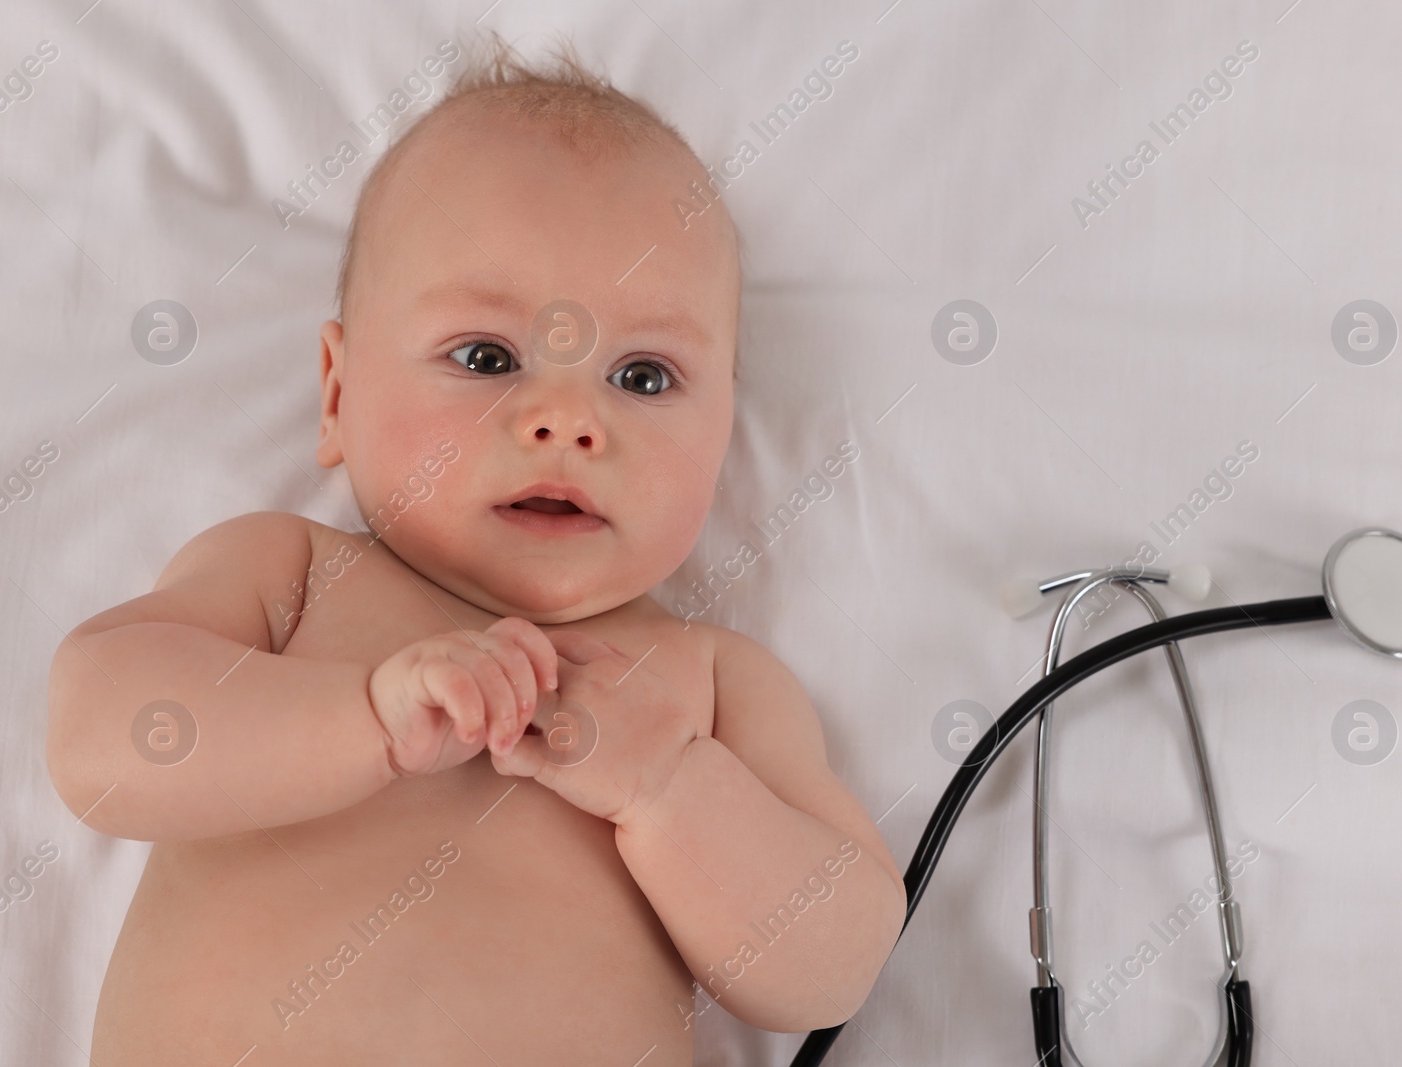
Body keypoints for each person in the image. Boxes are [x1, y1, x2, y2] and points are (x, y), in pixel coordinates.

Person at [45, 31, 905, 1066]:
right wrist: (363, 717)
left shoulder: (706, 685)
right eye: (486, 356)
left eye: (641, 376)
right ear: (335, 392)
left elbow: (834, 960)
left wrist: (667, 785)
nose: (567, 420)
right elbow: (102, 738)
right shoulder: (296, 577)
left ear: (724, 429)